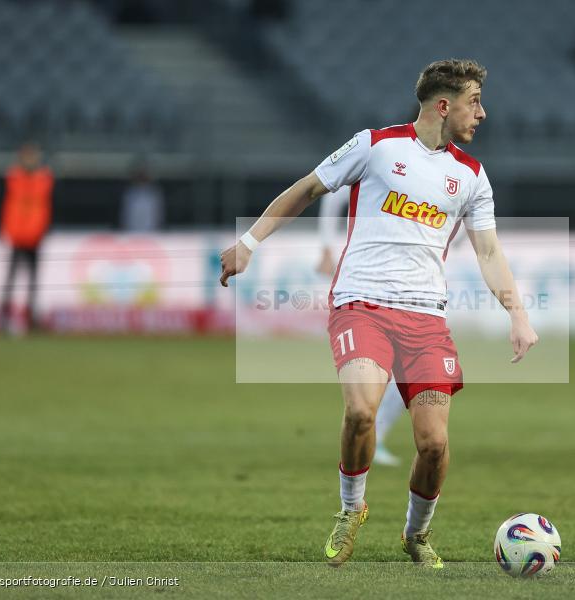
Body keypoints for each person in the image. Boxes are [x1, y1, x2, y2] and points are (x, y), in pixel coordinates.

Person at [220, 59, 538, 567]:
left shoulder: (472, 176)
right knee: (361, 411)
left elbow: (488, 251)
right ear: (444, 105)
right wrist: (248, 242)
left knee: (433, 443)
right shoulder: (375, 146)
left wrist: (517, 314)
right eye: (474, 102)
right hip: (361, 305)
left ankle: (416, 534)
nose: (482, 113)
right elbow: (307, 188)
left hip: (425, 319)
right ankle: (351, 511)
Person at [318, 186, 406, 467]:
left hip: (415, 279)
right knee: (375, 366)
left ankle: (374, 433)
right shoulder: (376, 162)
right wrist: (326, 248)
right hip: (367, 279)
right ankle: (367, 430)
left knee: (410, 372)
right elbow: (333, 197)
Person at [0, 141, 54, 333]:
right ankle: (4, 318)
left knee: (33, 281)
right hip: (17, 236)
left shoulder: (44, 179)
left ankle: (31, 319)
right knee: (11, 280)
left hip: (35, 236)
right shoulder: (12, 178)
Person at [120, 160, 164, 232]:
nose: (141, 177)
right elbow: (125, 215)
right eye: (140, 174)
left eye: (143, 174)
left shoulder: (154, 193)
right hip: (131, 232)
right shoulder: (129, 193)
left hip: (151, 232)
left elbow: (159, 215)